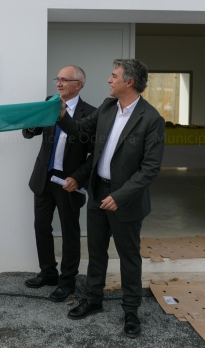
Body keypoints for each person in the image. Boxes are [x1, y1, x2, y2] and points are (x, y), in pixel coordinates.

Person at [57, 59, 165, 338]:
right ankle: (93, 300)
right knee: (96, 252)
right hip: (97, 193)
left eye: (113, 76)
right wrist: (61, 115)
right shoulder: (107, 107)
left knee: (129, 257)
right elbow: (80, 132)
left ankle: (131, 311)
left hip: (125, 199)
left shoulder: (151, 119)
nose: (109, 80)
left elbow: (150, 169)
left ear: (128, 82)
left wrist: (120, 196)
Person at [22, 65, 96, 302]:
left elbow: (96, 155)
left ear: (79, 84)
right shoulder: (49, 103)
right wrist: (35, 120)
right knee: (41, 227)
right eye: (58, 79)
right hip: (43, 177)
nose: (59, 83)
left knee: (69, 232)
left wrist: (79, 178)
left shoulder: (91, 114)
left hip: (69, 182)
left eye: (65, 80)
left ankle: (67, 281)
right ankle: (48, 273)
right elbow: (27, 133)